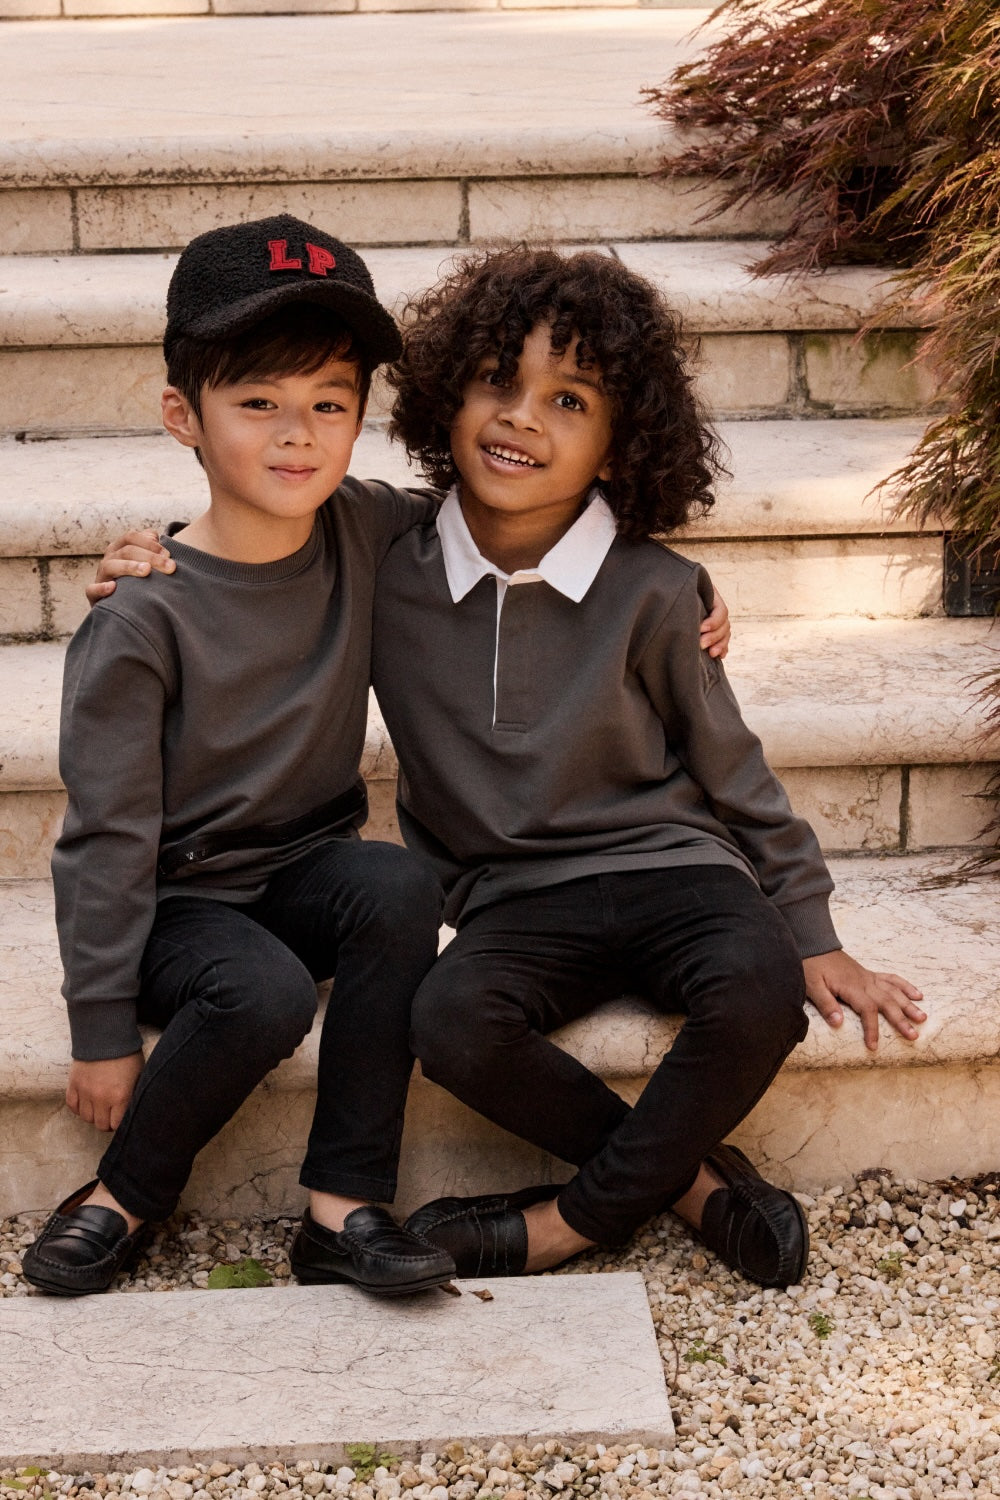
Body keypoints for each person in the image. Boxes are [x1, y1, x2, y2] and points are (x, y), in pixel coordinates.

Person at [363, 246, 927, 1289]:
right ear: (447, 394)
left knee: (760, 989)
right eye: (497, 380)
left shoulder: (656, 591)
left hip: (677, 872)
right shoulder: (382, 559)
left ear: (620, 448)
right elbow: (254, 540)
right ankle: (692, 1187)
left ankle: (567, 1225)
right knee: (447, 1020)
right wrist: (156, 553)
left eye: (567, 400)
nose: (521, 417)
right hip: (512, 899)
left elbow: (733, 767)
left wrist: (808, 929)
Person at [22, 214, 458, 1298]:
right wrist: (101, 1026)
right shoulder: (142, 616)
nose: (295, 434)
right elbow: (107, 833)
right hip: (178, 903)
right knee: (259, 993)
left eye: (328, 404)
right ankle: (123, 1195)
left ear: (361, 418)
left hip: (305, 869)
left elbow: (518, 518)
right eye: (257, 402)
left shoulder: (368, 529)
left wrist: (674, 582)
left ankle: (342, 1207)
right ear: (184, 414)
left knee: (402, 881)